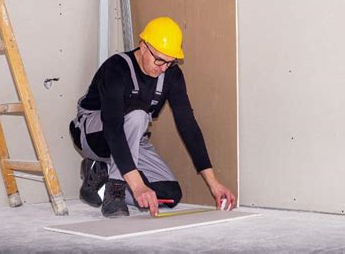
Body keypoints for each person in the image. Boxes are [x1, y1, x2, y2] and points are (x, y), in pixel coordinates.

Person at [69, 16, 235, 218]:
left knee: (169, 195)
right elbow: (113, 127)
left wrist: (213, 183)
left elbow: (188, 125)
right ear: (143, 46)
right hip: (93, 132)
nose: (163, 67)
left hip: (132, 139)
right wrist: (137, 185)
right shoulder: (116, 68)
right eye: (159, 59)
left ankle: (101, 179)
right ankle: (115, 190)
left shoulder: (172, 75)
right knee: (138, 116)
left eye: (169, 62)